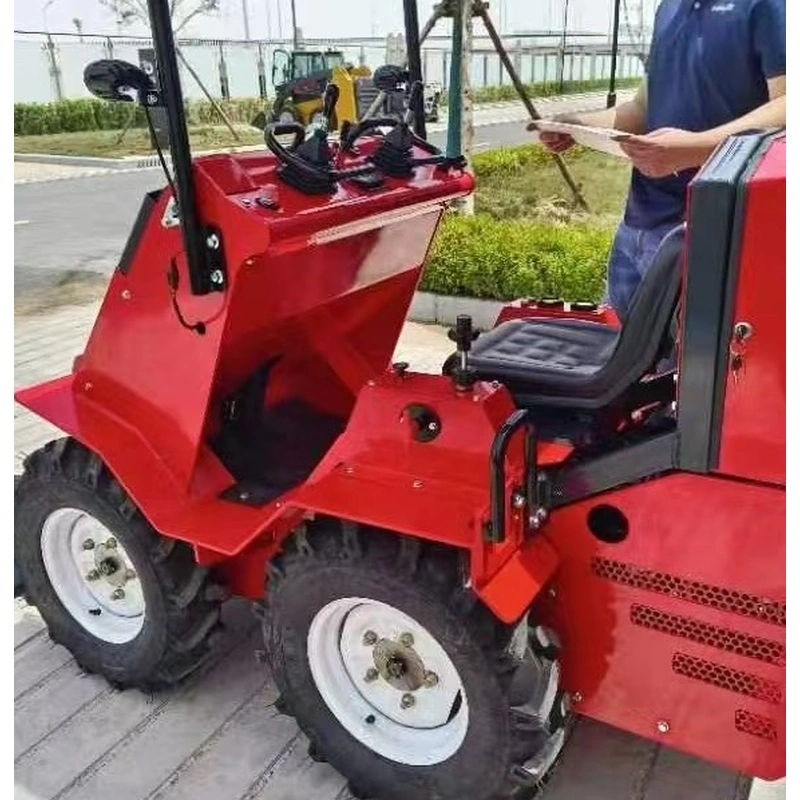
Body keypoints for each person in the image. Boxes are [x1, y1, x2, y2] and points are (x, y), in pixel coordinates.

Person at [537, 0, 786, 320]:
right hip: (636, 229)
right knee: (618, 359)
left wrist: (694, 148)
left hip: (710, 233)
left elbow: (786, 107)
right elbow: (642, 109)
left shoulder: (770, 6)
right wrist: (579, 125)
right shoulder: (669, 9)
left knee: (686, 368)